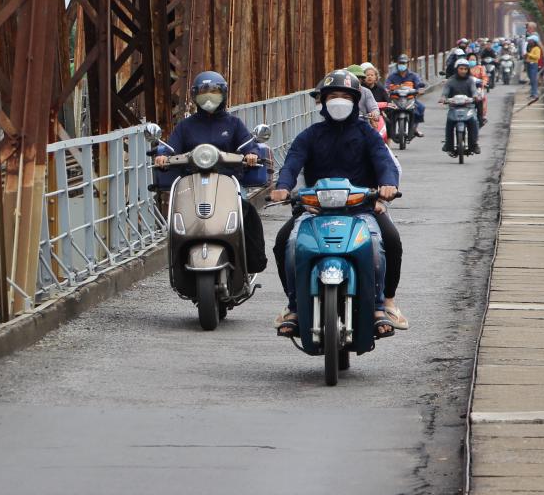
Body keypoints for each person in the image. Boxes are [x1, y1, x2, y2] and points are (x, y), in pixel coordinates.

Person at [268, 70, 401, 337]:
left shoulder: (367, 134)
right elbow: (292, 162)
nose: (339, 101)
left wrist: (387, 185)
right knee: (286, 244)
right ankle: (294, 306)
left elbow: (384, 161)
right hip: (314, 209)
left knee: (386, 242)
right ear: (324, 101)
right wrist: (282, 187)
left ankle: (381, 305)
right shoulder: (310, 135)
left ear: (355, 100)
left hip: (361, 208)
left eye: (345, 96)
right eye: (333, 96)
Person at [154, 70, 267, 274]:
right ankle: (178, 265)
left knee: (246, 212)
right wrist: (163, 157)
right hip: (192, 182)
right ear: (195, 96)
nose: (209, 97)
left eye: (214, 92)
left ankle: (252, 261)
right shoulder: (186, 126)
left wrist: (252, 154)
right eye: (203, 92)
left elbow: (248, 145)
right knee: (178, 216)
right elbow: (171, 148)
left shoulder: (234, 124)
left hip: (228, 181)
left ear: (223, 94)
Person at [440, 58, 482, 155]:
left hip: (468, 107)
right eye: (461, 69)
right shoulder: (450, 81)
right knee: (449, 123)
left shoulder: (470, 80)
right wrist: (443, 98)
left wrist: (475, 96)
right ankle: (448, 144)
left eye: (465, 69)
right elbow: (445, 92)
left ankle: (474, 144)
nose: (463, 71)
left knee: (474, 122)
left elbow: (474, 91)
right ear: (456, 69)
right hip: (454, 107)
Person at [384, 53, 427, 138]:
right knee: (387, 111)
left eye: (404, 63)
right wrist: (386, 89)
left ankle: (414, 128)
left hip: (410, 99)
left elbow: (419, 84)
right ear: (397, 64)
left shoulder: (413, 76)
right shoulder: (392, 76)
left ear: (407, 64)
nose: (402, 65)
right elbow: (386, 85)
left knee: (421, 107)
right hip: (396, 99)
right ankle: (388, 131)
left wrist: (420, 89)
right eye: (400, 63)